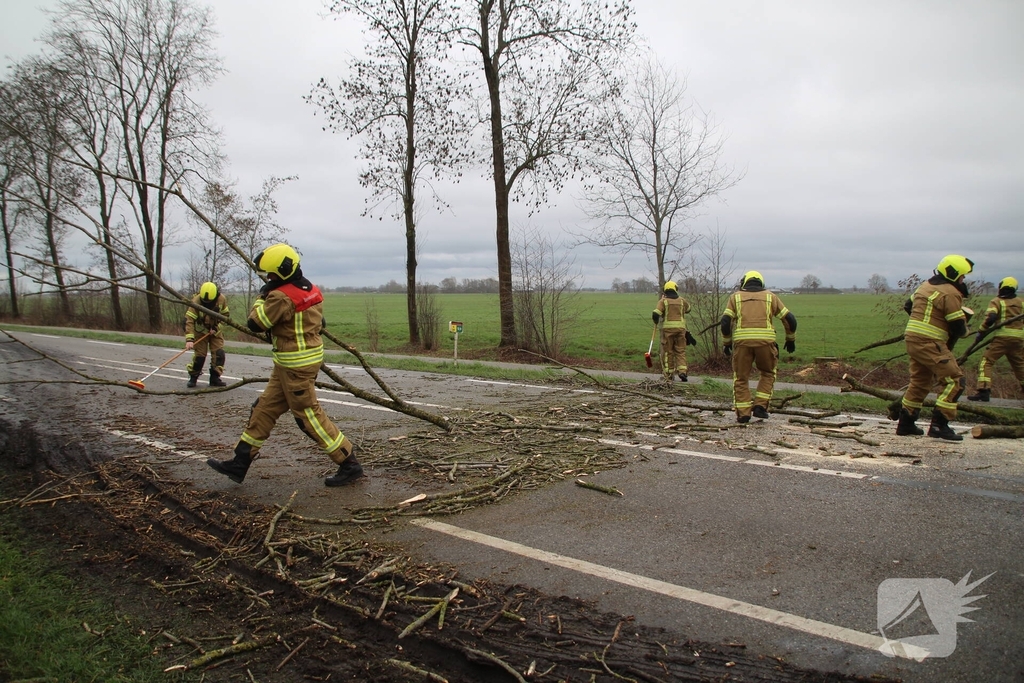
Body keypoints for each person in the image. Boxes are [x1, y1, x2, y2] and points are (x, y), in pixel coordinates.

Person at [206, 243, 364, 487]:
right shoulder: (308, 287)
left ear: (281, 273)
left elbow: (256, 323)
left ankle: (348, 462)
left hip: (296, 366)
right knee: (263, 409)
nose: (268, 279)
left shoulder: (280, 297)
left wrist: (261, 297)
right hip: (288, 364)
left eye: (270, 275)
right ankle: (240, 462)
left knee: (308, 417)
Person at [895, 254, 974, 440]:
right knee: (955, 380)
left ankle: (906, 423)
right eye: (962, 276)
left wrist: (922, 322)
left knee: (920, 382)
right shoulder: (950, 292)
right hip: (930, 342)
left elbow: (909, 305)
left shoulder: (925, 286)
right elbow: (957, 327)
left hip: (913, 339)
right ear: (955, 274)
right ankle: (940, 425)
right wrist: (965, 331)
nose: (963, 280)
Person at [720, 271, 797, 423]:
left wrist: (727, 342)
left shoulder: (735, 297)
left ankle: (743, 414)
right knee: (768, 373)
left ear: (744, 283)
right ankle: (760, 407)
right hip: (765, 342)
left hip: (742, 343)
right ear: (761, 283)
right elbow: (790, 319)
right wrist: (790, 339)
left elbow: (725, 322)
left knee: (741, 378)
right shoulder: (770, 297)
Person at [967, 276, 1023, 402]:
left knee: (986, 362)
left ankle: (983, 391)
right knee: (1020, 366)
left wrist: (981, 332)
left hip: (1002, 339)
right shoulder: (1021, 302)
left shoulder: (996, 301)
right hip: (1018, 340)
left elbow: (990, 319)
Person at [185, 281, 230, 388]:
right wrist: (189, 339)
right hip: (200, 331)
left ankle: (215, 378)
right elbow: (189, 320)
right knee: (200, 356)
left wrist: (216, 327)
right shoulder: (196, 301)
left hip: (215, 331)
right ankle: (193, 377)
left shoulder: (221, 299)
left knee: (219, 354)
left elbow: (225, 316)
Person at [652, 280, 697, 381]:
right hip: (681, 330)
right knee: (681, 351)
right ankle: (683, 372)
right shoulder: (682, 300)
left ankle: (668, 374)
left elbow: (656, 313)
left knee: (669, 352)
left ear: (665, 290)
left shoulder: (663, 301)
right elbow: (689, 309)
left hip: (668, 331)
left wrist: (656, 321)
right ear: (675, 289)